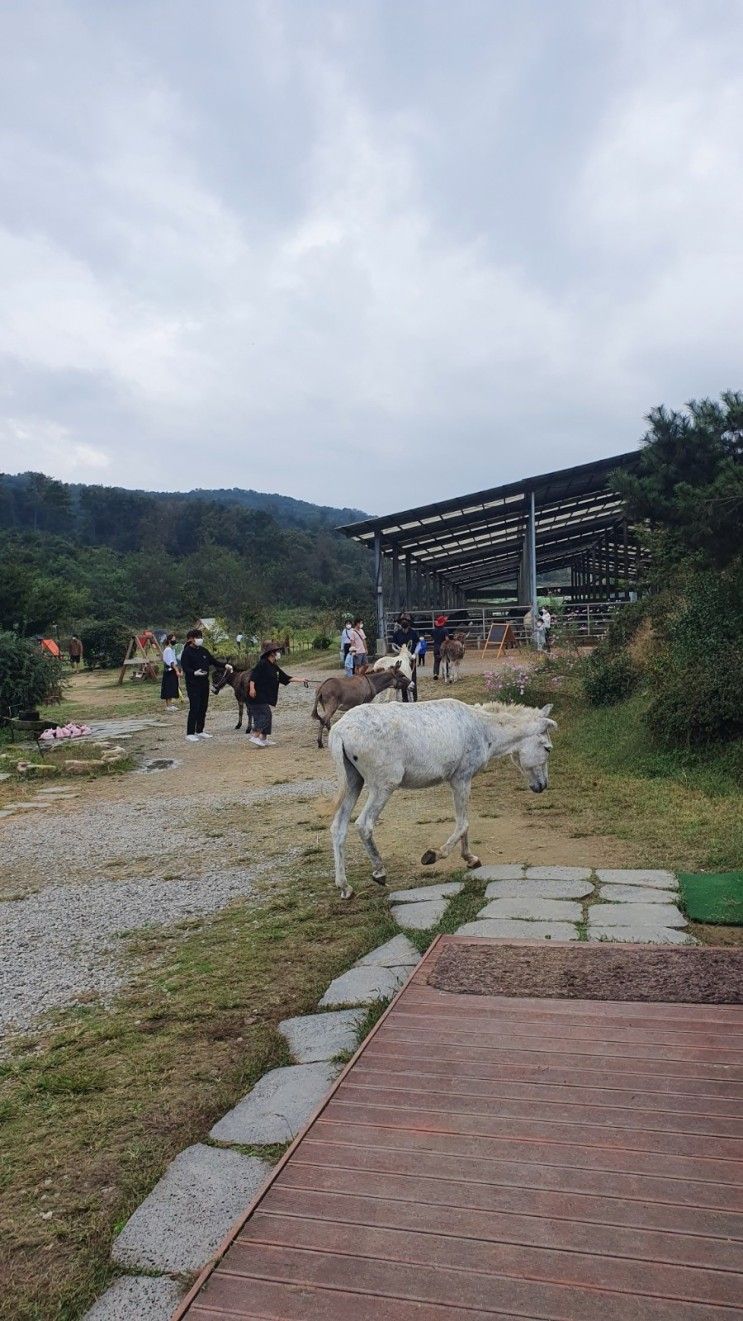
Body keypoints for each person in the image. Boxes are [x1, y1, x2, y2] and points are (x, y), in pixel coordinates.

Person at [247, 641, 307, 746]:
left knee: (268, 716)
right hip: (257, 695)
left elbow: (286, 678)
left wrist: (302, 679)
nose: (278, 653)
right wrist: (252, 689)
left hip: (265, 696)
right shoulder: (262, 663)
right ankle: (255, 736)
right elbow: (253, 677)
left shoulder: (274, 667)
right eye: (277, 651)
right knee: (266, 715)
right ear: (271, 653)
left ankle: (263, 739)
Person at [180, 629, 233, 742]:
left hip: (204, 682)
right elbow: (185, 667)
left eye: (200, 637)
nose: (199, 639)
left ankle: (200, 730)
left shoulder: (204, 651)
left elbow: (214, 661)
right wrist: (194, 672)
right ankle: (190, 733)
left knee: (203, 707)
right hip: (193, 684)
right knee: (195, 707)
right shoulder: (187, 652)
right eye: (197, 637)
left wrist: (225, 665)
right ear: (191, 639)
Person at [160, 633, 180, 711]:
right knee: (169, 687)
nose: (174, 640)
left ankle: (170, 705)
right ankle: (168, 706)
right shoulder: (168, 649)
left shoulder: (171, 649)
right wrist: (176, 670)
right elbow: (171, 662)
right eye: (173, 639)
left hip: (171, 671)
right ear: (169, 640)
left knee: (172, 687)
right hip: (169, 671)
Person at [432, 614, 450, 680]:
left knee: (436, 661)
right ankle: (446, 673)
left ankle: (435, 673)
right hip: (443, 647)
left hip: (436, 646)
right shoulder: (445, 630)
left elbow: (433, 638)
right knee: (446, 660)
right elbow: (447, 639)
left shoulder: (433, 630)